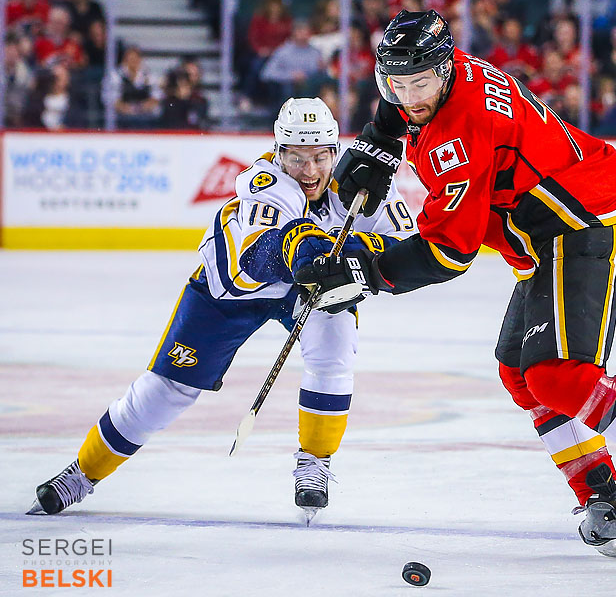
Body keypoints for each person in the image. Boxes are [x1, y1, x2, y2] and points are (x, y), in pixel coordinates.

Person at [291, 10, 616, 558]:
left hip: (580, 225)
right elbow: (405, 99)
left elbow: (450, 252)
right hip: (548, 231)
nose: (408, 95)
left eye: (419, 82)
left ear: (443, 72)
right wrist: (380, 137)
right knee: (520, 373)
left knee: (559, 376)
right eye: (395, 83)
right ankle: (603, 499)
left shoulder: (457, 136)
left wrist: (362, 273)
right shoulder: (449, 74)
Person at [27, 98, 415, 523]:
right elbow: (263, 254)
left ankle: (315, 461)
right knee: (166, 391)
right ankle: (81, 474)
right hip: (231, 286)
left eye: (320, 157)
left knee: (335, 348)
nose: (308, 171)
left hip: (309, 287)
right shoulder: (264, 181)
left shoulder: (363, 181)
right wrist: (310, 251)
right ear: (278, 152)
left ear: (334, 152)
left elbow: (404, 247)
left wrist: (354, 255)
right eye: (297, 158)